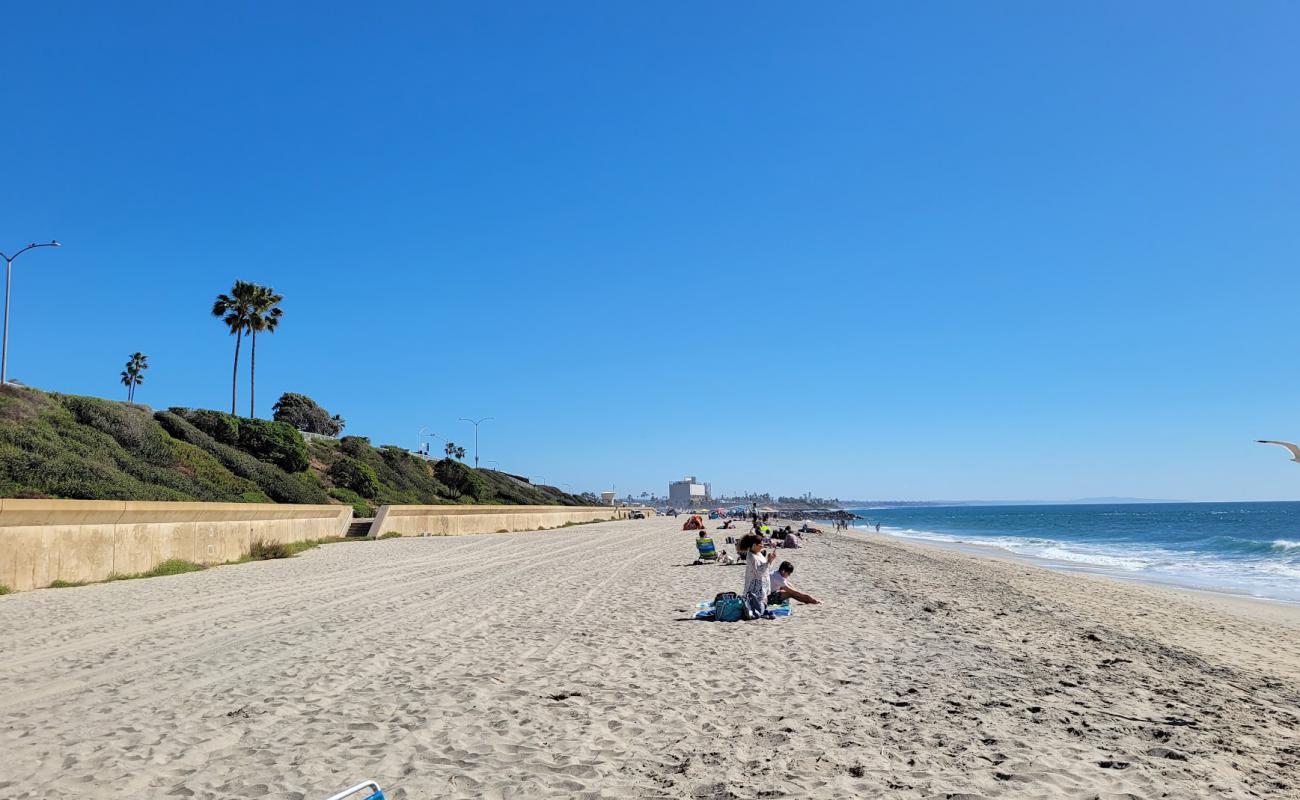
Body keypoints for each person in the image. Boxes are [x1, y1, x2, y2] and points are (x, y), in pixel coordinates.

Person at [738, 533, 778, 619]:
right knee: (759, 610)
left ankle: (761, 609)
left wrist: (771, 560)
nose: (762, 546)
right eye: (760, 544)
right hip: (754, 589)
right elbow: (758, 572)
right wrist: (768, 561)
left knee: (761, 607)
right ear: (754, 545)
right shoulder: (751, 556)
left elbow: (766, 568)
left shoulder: (758, 554)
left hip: (762, 587)